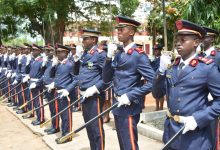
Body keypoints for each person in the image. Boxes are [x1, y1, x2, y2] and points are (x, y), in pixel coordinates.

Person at [152, 20, 220, 150]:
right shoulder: (172, 66)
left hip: (194, 138)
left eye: (183, 40)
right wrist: (160, 71)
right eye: (177, 39)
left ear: (196, 42)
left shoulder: (206, 68)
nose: (178, 43)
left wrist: (198, 119)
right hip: (171, 133)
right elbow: (157, 94)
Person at [102, 16, 155, 150]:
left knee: (130, 144)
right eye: (117, 30)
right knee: (123, 144)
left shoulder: (138, 55)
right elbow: (106, 78)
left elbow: (153, 82)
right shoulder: (119, 54)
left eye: (121, 30)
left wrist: (131, 95)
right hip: (118, 106)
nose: (118, 32)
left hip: (129, 106)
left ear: (131, 32)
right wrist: (108, 58)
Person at [46, 44, 77, 144]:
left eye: (60, 52)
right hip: (58, 92)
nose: (58, 54)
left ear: (66, 53)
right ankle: (62, 132)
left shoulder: (70, 64)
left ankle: (67, 135)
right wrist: (53, 66)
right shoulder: (59, 64)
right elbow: (52, 76)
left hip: (66, 93)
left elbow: (76, 80)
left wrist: (68, 89)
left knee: (66, 116)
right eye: (57, 52)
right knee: (60, 114)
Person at [150, 44, 165, 111]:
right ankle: (157, 107)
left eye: (156, 50)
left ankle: (161, 107)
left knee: (161, 93)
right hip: (154, 77)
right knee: (155, 92)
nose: (155, 52)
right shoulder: (153, 59)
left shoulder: (163, 59)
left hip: (161, 78)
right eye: (154, 50)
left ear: (160, 51)